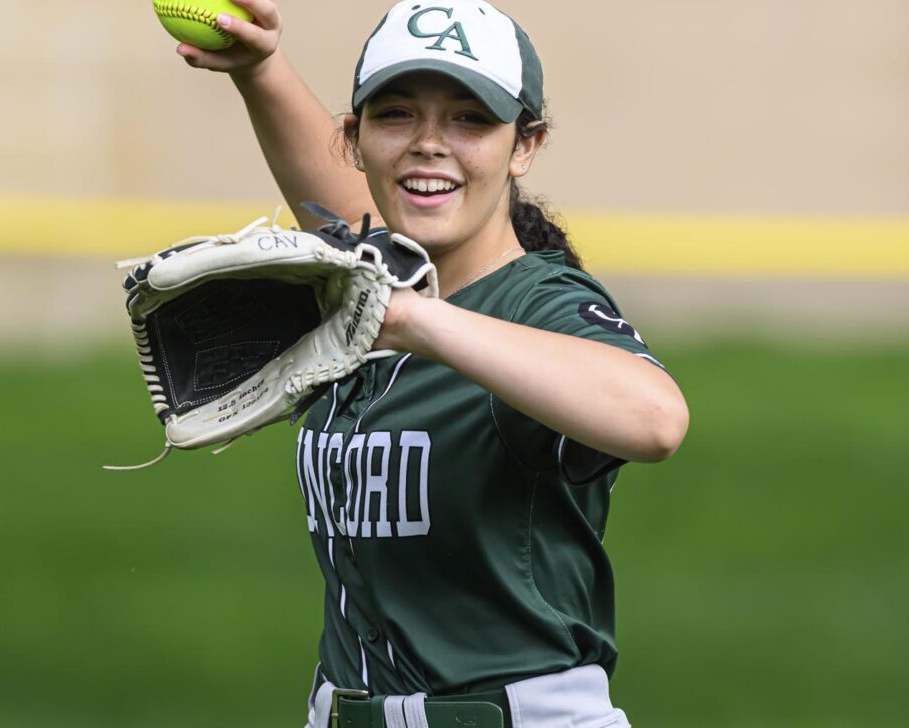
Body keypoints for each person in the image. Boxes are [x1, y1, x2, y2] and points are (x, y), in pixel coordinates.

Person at [178, 1, 689, 725]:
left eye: (469, 120)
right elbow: (354, 207)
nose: (428, 144)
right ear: (353, 139)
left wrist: (418, 321)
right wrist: (261, 70)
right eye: (396, 115)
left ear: (525, 145)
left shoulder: (531, 302)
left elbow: (656, 419)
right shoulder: (371, 276)